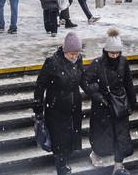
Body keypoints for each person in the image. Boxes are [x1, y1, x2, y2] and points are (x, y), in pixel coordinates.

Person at [83, 29, 137, 172]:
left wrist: (132, 101)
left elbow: (128, 82)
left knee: (121, 133)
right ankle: (95, 153)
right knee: (101, 133)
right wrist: (98, 96)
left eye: (117, 53)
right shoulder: (97, 63)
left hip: (119, 104)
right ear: (106, 51)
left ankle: (118, 162)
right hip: (103, 105)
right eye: (112, 53)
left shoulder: (123, 62)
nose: (114, 56)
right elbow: (86, 81)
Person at [33, 32, 86, 175]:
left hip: (73, 107)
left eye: (77, 54)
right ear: (64, 51)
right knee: (59, 139)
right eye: (71, 54)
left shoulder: (78, 61)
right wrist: (38, 108)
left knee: (70, 137)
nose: (74, 57)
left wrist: (96, 94)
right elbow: (40, 86)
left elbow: (82, 80)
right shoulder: (52, 62)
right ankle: (61, 166)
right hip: (56, 108)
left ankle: (64, 160)